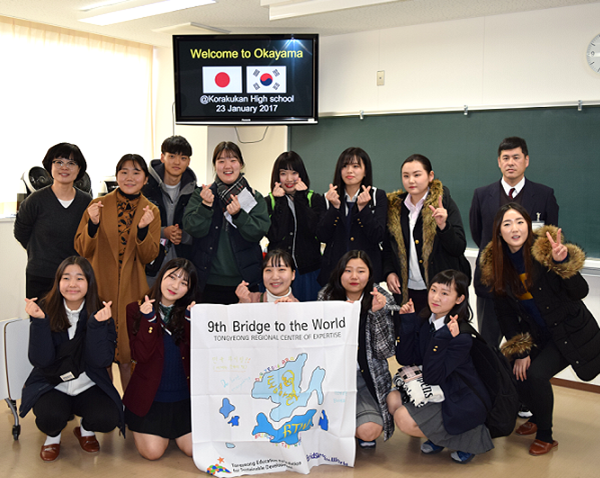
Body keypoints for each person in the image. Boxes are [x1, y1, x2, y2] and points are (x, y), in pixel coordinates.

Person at [479, 203, 600, 456]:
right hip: (538, 333)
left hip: (568, 331)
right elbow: (505, 313)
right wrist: (520, 349)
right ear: (498, 231)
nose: (515, 229)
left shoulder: (546, 252)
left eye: (520, 222)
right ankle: (537, 414)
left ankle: (546, 434)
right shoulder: (497, 264)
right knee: (514, 367)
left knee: (535, 374)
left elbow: (580, 292)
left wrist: (562, 262)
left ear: (528, 225)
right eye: (507, 224)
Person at [19, 256, 123, 462]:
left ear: (89, 283)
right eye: (66, 278)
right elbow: (41, 361)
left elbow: (101, 361)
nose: (72, 284)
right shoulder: (45, 308)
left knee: (108, 417)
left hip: (88, 384)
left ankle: (85, 430)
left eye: (79, 278)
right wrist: (39, 322)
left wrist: (97, 326)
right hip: (53, 384)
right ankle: (53, 437)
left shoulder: (100, 312)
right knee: (49, 417)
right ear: (58, 282)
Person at [387, 269, 494, 464]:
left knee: (403, 417)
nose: (436, 298)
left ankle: (469, 438)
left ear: (460, 299)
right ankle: (438, 435)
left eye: (445, 293)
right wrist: (408, 322)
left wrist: (443, 337)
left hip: (459, 399)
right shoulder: (427, 319)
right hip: (438, 390)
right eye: (433, 290)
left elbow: (432, 376)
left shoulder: (460, 335)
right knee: (393, 399)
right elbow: (405, 358)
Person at [75, 154, 161, 389]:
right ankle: (107, 407)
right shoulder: (97, 205)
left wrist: (143, 230)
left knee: (127, 354)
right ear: (117, 175)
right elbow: (82, 248)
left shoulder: (150, 210)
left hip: (132, 290)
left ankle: (130, 412)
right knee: (101, 353)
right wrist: (92, 224)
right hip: (101, 286)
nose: (129, 177)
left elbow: (149, 256)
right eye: (124, 171)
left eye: (136, 172)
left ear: (145, 179)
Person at [470, 137, 559, 348]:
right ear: (499, 162)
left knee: (529, 350)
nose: (511, 163)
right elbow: (478, 233)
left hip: (530, 286)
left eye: (516, 157)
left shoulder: (545, 195)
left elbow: (549, 238)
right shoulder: (482, 195)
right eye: (506, 158)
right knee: (488, 347)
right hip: (491, 285)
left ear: (526, 160)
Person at [318, 250, 395, 448]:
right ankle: (341, 425)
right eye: (348, 270)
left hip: (363, 380)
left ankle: (350, 425)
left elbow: (385, 352)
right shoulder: (326, 296)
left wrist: (377, 314)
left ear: (370, 274)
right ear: (339, 273)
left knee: (369, 431)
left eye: (360, 271)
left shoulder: (382, 298)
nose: (354, 277)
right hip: (332, 379)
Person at [123, 258, 198, 460]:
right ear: (161, 276)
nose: (175, 286)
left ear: (189, 290)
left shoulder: (192, 313)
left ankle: (173, 432)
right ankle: (153, 431)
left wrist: (192, 320)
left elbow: (199, 354)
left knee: (193, 450)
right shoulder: (135, 309)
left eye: (184, 283)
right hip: (150, 398)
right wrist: (150, 321)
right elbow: (140, 355)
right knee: (153, 453)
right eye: (172, 277)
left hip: (183, 398)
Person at [183, 141, 270, 305]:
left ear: (241, 164)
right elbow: (192, 228)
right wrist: (205, 206)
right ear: (215, 166)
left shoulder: (254, 196)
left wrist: (239, 215)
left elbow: (258, 232)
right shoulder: (202, 194)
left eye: (233, 160)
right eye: (221, 161)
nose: (227, 166)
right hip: (207, 281)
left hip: (244, 282)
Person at [383, 154, 470, 313]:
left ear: (430, 176)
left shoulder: (443, 202)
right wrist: (389, 272)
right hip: (406, 291)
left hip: (439, 291)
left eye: (417, 175)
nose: (411, 180)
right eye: (406, 176)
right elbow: (388, 247)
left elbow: (458, 248)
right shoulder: (395, 208)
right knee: (409, 334)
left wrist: (443, 226)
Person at [14, 142, 91, 300]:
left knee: (73, 322)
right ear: (50, 166)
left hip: (74, 277)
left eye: (71, 163)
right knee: (40, 321)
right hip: (41, 276)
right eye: (59, 162)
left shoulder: (86, 202)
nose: (65, 167)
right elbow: (21, 232)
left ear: (79, 170)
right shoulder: (35, 200)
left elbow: (89, 238)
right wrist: (40, 253)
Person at [317, 147, 387, 286]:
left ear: (365, 171)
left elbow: (378, 236)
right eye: (345, 166)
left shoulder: (377, 196)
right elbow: (322, 236)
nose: (350, 171)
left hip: (366, 271)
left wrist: (363, 209)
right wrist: (334, 208)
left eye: (356, 166)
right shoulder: (328, 197)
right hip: (336, 271)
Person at [265, 151, 324, 301]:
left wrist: (300, 199)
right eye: (283, 173)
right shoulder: (269, 201)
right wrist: (280, 203)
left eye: (294, 173)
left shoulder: (314, 199)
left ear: (301, 175)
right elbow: (275, 234)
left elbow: (315, 231)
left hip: (309, 272)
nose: (289, 179)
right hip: (278, 275)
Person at [143, 135, 197, 285]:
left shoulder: (195, 192)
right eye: (172, 156)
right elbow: (134, 227)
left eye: (183, 158)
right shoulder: (145, 189)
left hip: (182, 267)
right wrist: (163, 232)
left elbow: (202, 229)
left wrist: (183, 235)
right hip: (150, 265)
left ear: (188, 161)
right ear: (162, 157)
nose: (177, 162)